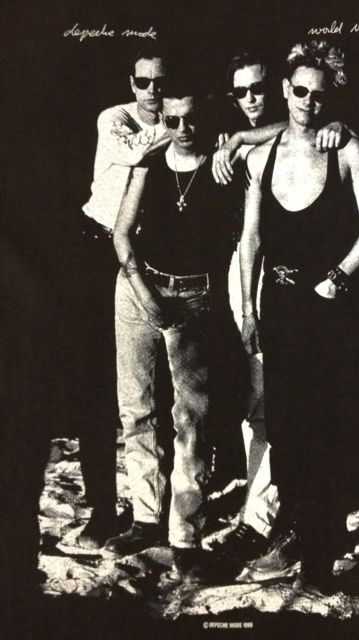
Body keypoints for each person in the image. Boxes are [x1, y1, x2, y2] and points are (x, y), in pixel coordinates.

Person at [239, 40, 359, 589]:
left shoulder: (344, 147)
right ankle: (298, 533)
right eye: (299, 91)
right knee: (286, 429)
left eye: (318, 95)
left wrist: (338, 277)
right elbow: (252, 239)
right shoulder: (262, 156)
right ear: (284, 90)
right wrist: (249, 309)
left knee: (322, 430)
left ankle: (320, 560)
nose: (308, 102)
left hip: (324, 312)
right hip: (277, 307)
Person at [213, 51, 353, 566]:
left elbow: (304, 127)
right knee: (257, 403)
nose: (250, 98)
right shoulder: (226, 136)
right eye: (240, 92)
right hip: (244, 273)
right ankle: (264, 515)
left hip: (289, 277)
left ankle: (269, 520)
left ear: (275, 88)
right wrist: (233, 139)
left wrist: (338, 124)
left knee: (285, 409)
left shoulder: (296, 129)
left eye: (257, 87)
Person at [106, 75, 240, 583]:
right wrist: (145, 295)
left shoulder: (224, 165)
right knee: (137, 407)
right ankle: (145, 518)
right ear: (162, 118)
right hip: (138, 289)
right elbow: (121, 234)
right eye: (173, 119)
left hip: (194, 298)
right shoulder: (151, 162)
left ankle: (185, 536)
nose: (183, 128)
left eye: (192, 119)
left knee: (192, 418)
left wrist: (236, 140)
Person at [75, 44, 170, 550]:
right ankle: (101, 510)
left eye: (161, 81)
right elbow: (136, 152)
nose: (152, 90)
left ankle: (154, 507)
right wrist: (185, 126)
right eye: (143, 81)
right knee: (97, 382)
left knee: (153, 385)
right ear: (130, 84)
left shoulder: (176, 120)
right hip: (97, 248)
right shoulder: (113, 117)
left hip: (144, 250)